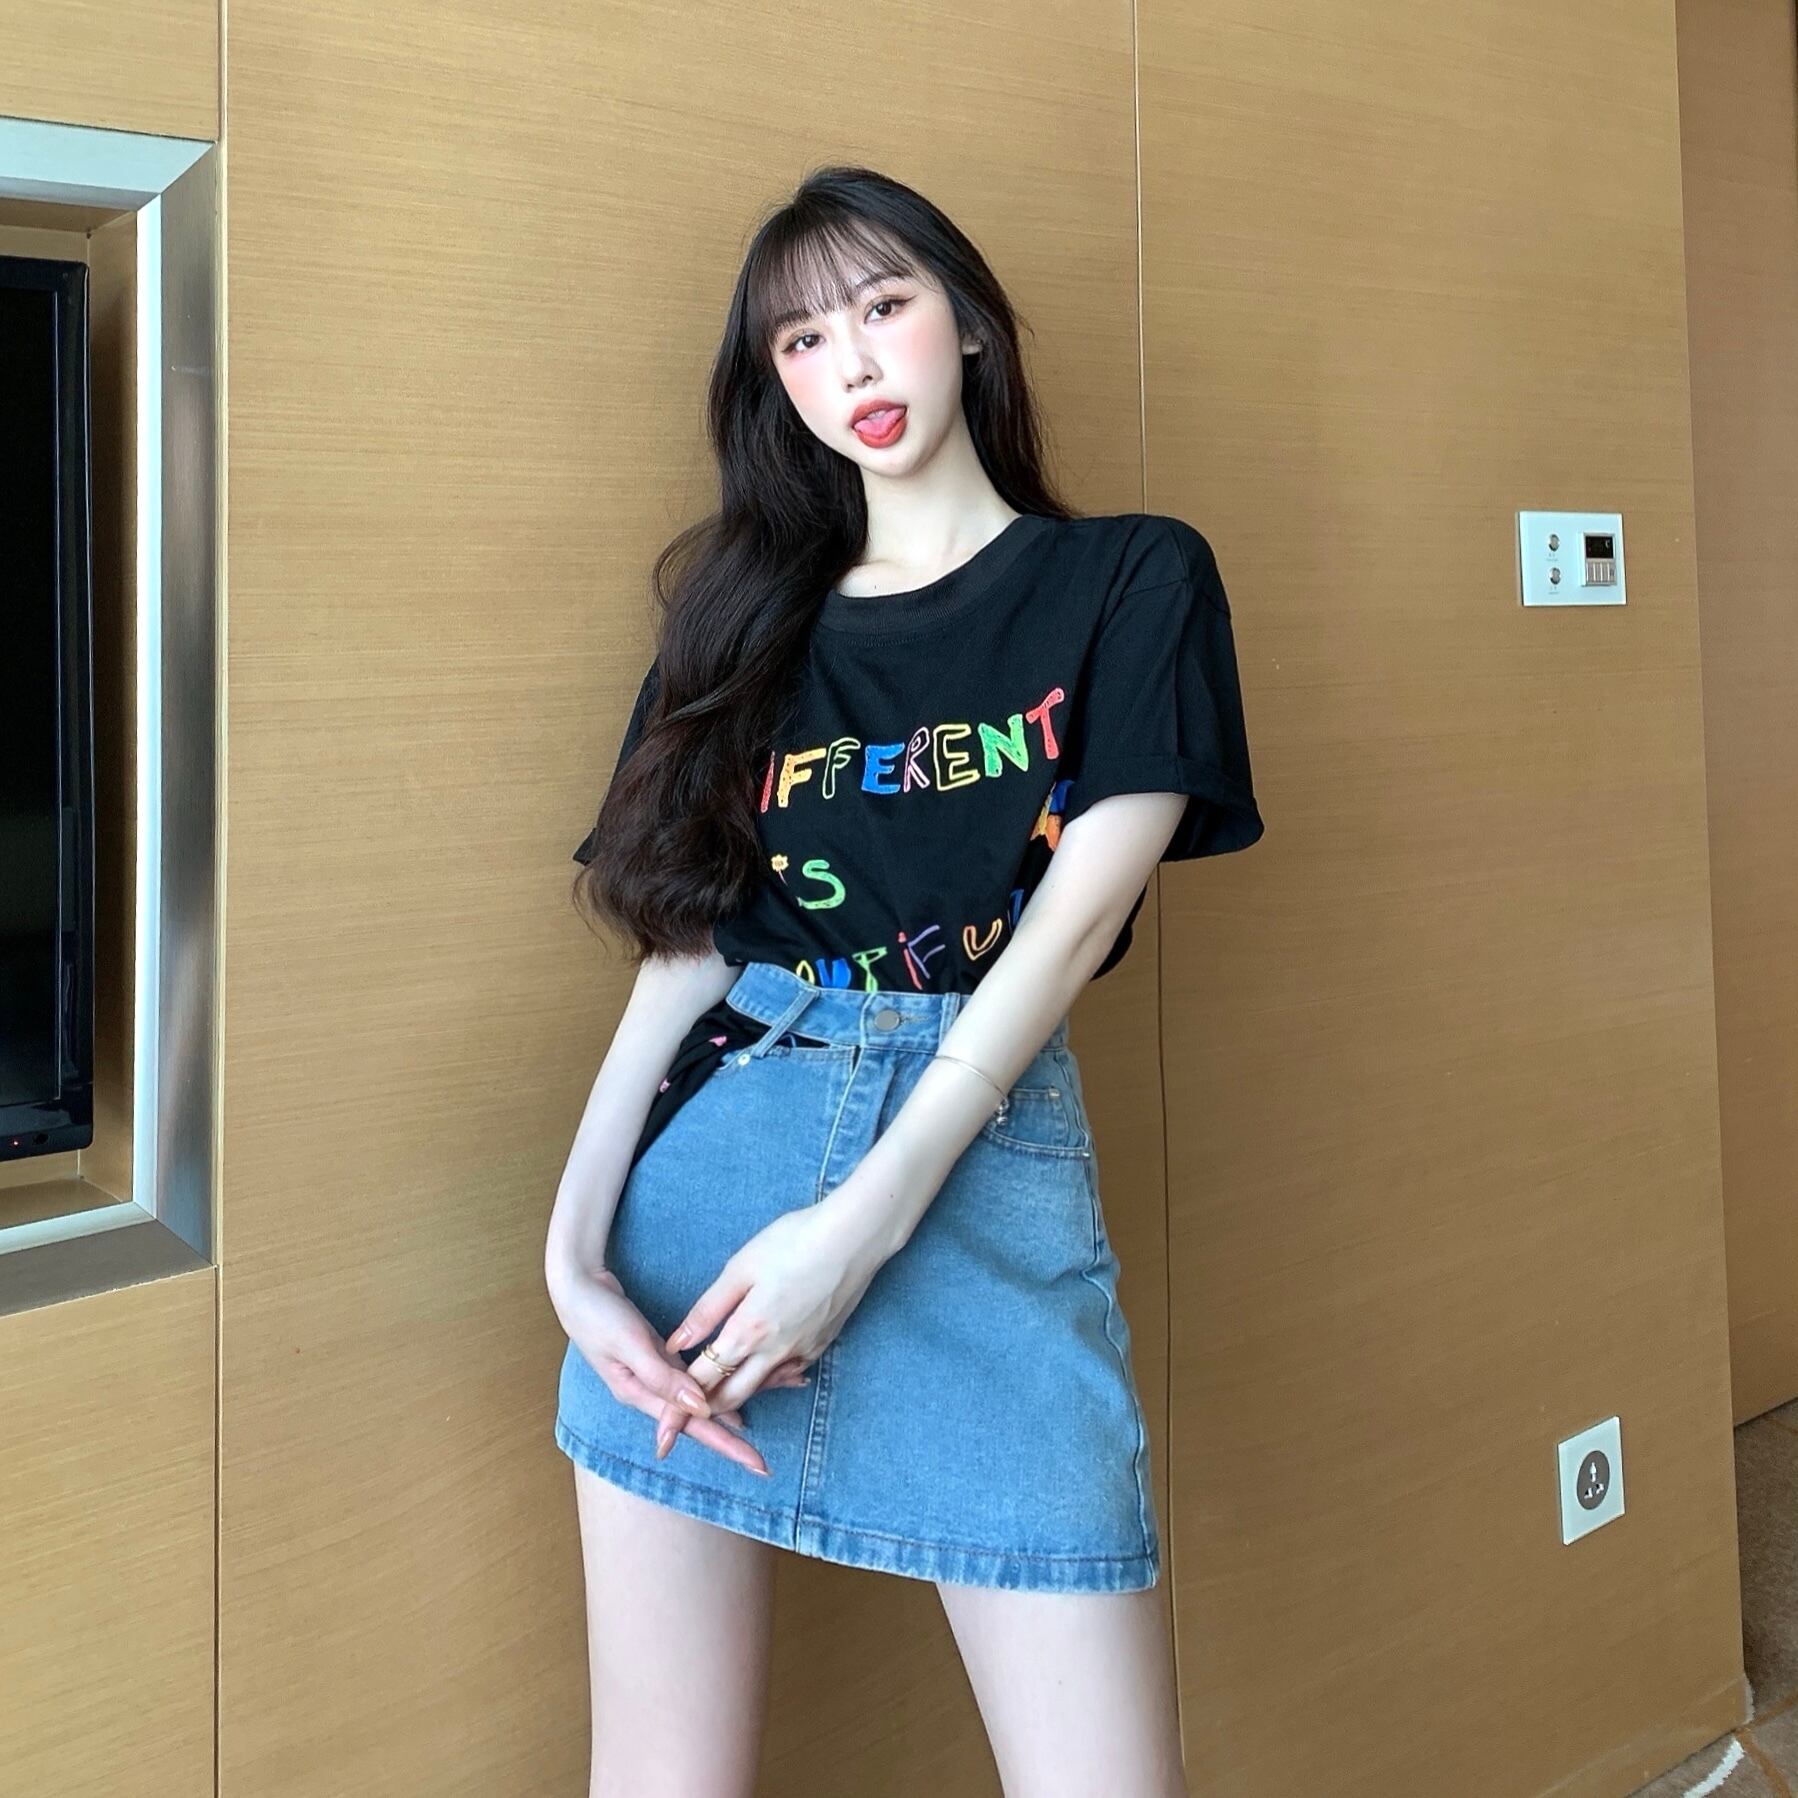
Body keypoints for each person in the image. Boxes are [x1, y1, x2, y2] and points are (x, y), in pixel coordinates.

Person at [545, 164, 1264, 1797]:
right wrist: (571, 1251)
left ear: (971, 326)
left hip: (971, 1167)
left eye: (883, 306)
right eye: (802, 340)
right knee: (660, 1774)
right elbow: (683, 957)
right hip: (701, 1200)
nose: (853, 363)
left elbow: (1067, 929)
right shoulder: (737, 627)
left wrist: (857, 1226)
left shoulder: (1128, 578)